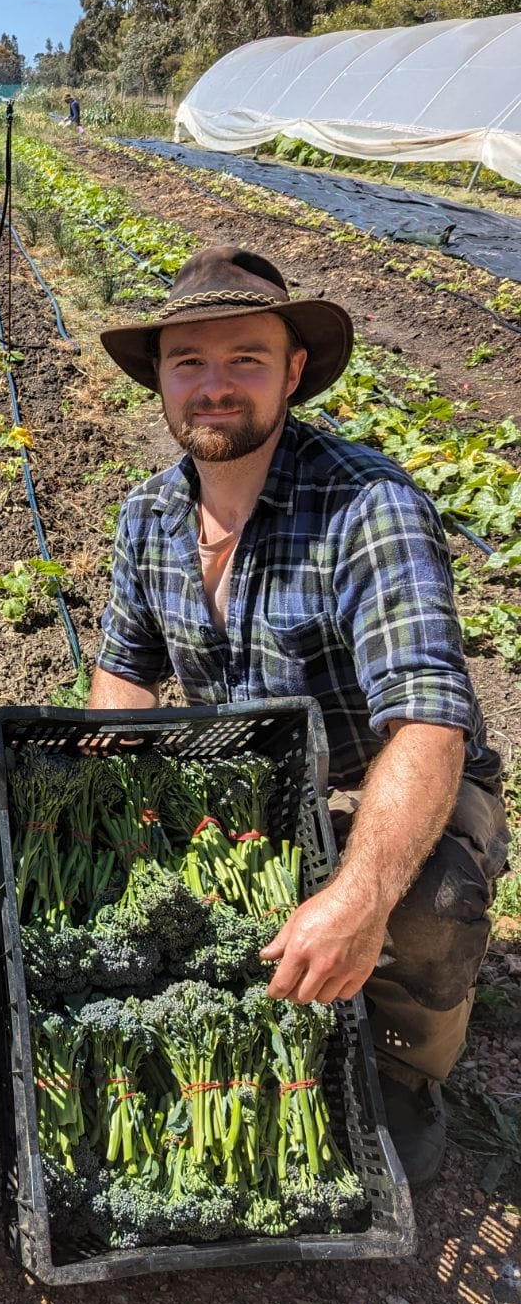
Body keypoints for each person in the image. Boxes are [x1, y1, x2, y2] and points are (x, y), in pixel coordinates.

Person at [89, 244, 509, 1188]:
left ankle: (401, 1067)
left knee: (429, 897)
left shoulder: (369, 505)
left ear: (293, 372)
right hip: (250, 787)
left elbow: (429, 725)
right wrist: (113, 812)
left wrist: (360, 897)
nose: (215, 385)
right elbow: (122, 681)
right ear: (159, 379)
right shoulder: (149, 517)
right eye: (188, 362)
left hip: (386, 787)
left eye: (245, 358)